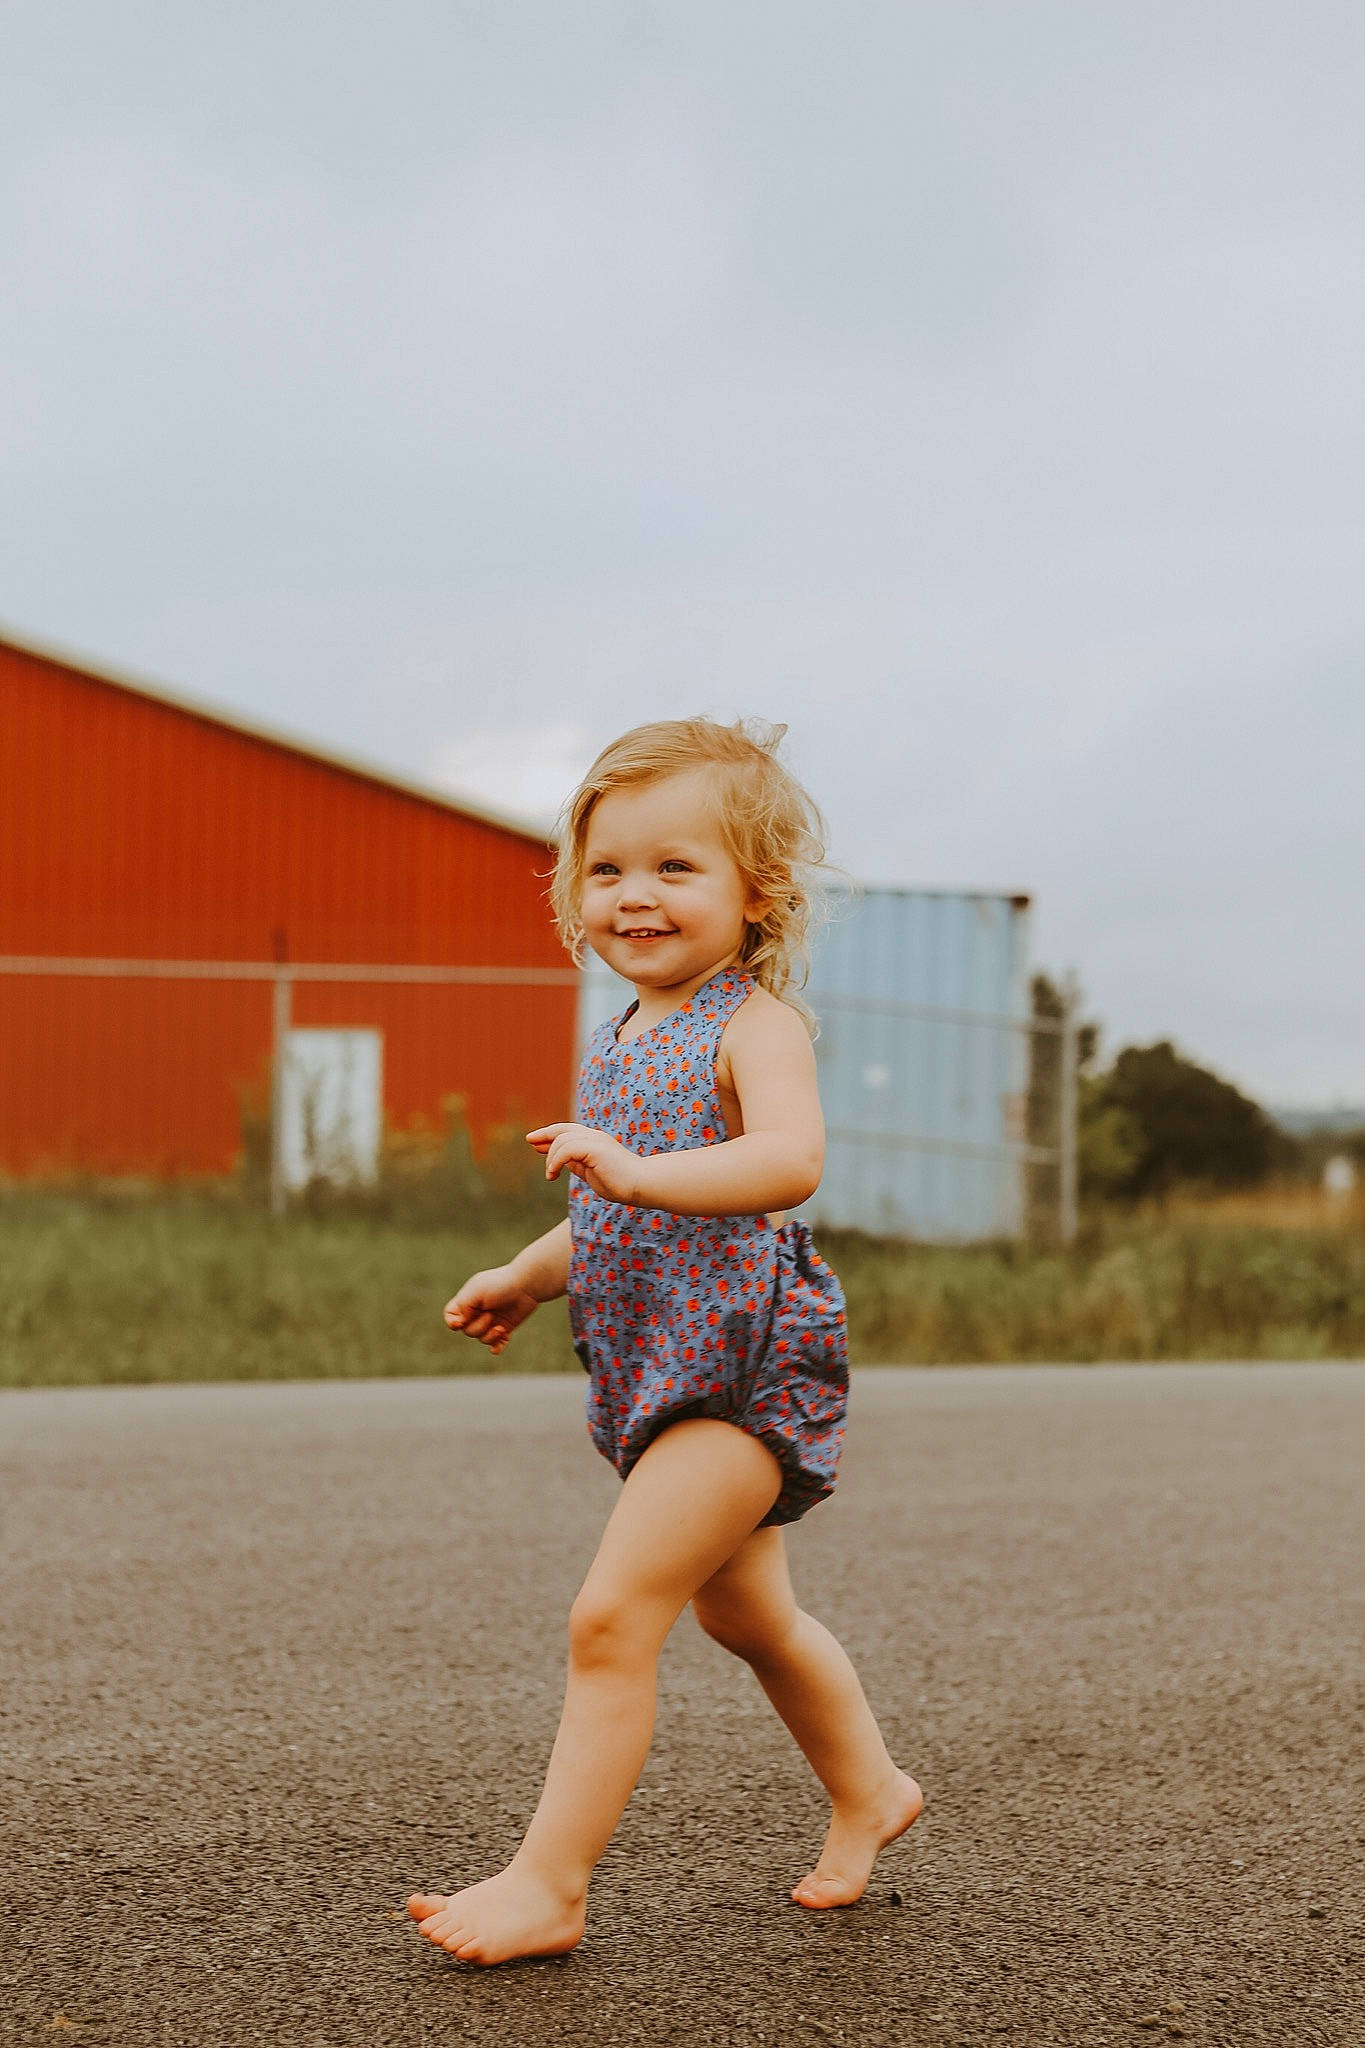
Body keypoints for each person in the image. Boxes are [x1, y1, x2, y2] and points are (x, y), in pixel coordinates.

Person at [407, 716, 921, 1965]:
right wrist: (531, 1275)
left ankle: (551, 1883)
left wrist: (636, 1170)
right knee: (748, 1618)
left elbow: (788, 1159)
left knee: (611, 1616)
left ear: (761, 893)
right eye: (607, 868)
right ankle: (872, 1786)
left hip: (743, 1374)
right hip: (657, 1376)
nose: (635, 894)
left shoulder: (757, 1025)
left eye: (675, 866)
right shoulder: (627, 1033)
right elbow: (605, 1209)